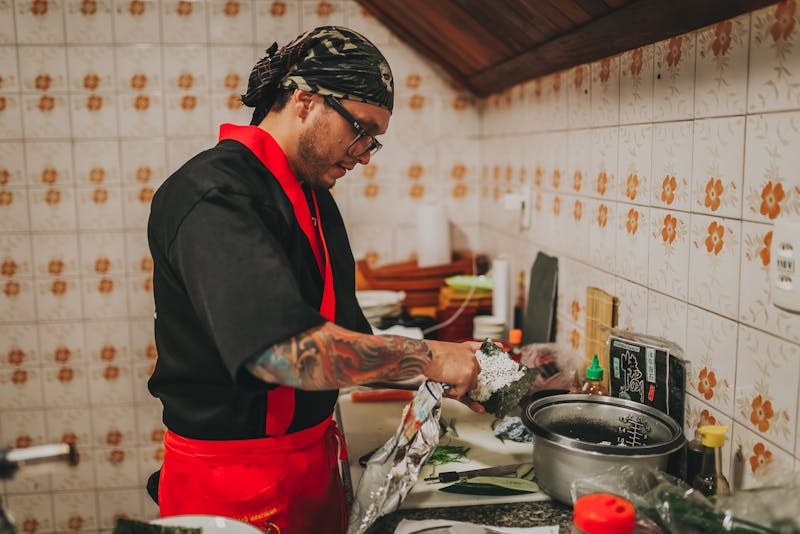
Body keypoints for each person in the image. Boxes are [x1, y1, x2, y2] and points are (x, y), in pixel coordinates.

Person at [146, 26, 482, 533]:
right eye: (360, 129)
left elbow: (350, 349)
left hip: (308, 466)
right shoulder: (214, 195)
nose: (366, 153)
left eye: (375, 140)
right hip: (232, 484)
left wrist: (451, 368)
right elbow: (286, 355)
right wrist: (434, 357)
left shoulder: (312, 199)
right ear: (304, 101)